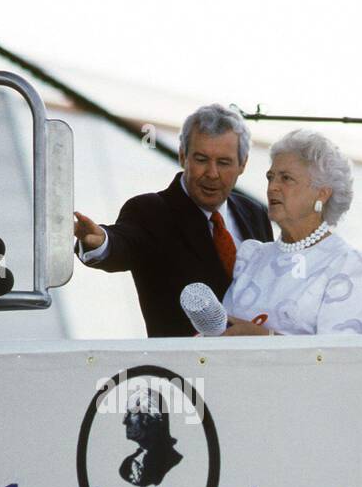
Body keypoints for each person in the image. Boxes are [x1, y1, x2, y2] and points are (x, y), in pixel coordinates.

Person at [73, 104, 272, 337]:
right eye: (201, 159)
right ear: (182, 156)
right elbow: (124, 243)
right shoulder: (150, 210)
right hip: (181, 369)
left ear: (243, 164)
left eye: (224, 163)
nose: (212, 173)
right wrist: (100, 241)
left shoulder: (254, 212)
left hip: (255, 363)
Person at [220, 129, 362, 336]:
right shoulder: (252, 257)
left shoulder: (350, 266)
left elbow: (339, 357)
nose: (272, 187)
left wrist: (262, 338)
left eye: (286, 179)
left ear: (322, 193)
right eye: (270, 177)